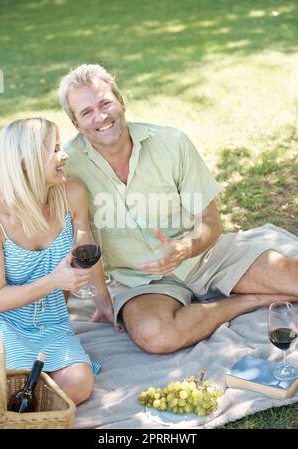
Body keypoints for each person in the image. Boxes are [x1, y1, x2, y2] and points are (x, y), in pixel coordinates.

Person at [58, 63, 298, 354]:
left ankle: (242, 290)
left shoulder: (172, 143)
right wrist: (100, 297)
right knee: (156, 336)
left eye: (105, 103)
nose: (100, 116)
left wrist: (185, 248)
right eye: (86, 112)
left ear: (121, 102)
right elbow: (69, 237)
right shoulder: (67, 168)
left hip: (206, 256)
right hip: (137, 281)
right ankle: (248, 300)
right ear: (76, 124)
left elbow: (210, 221)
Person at [0, 118, 115, 404]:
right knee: (10, 380)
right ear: (25, 162)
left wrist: (103, 302)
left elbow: (86, 251)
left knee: (78, 385)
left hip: (53, 323)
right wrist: (54, 281)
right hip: (5, 324)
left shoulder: (72, 193)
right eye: (55, 150)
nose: (64, 156)